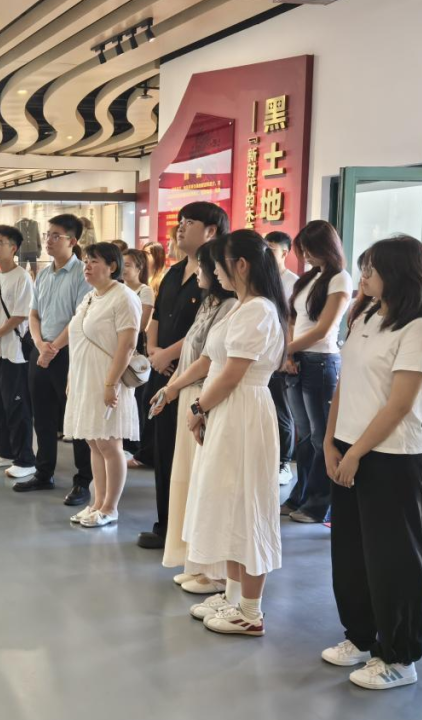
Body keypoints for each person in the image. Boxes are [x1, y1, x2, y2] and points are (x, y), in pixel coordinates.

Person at [321, 235, 422, 690]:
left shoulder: (420, 327)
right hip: (348, 446)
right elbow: (344, 383)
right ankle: (361, 637)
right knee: (351, 553)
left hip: (392, 457)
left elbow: (400, 403)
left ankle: (400, 656)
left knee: (394, 559)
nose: (364, 275)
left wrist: (355, 452)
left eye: (372, 268)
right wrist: (331, 441)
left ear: (399, 273)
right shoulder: (367, 314)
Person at [165, 230, 288, 636]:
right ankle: (233, 595)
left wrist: (199, 407)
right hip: (227, 411)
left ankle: (250, 611)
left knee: (247, 505)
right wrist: (186, 395)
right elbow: (212, 361)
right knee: (228, 504)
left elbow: (233, 374)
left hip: (242, 413)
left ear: (242, 265)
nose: (215, 272)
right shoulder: (240, 306)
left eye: (219, 264)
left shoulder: (258, 311)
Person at [137, 202, 229, 550]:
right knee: (164, 451)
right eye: (180, 222)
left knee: (189, 454)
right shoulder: (174, 272)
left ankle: (189, 533)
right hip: (164, 372)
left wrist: (167, 355)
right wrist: (153, 351)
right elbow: (157, 317)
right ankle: (167, 525)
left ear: (211, 231)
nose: (180, 228)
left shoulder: (218, 279)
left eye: (189, 222)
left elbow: (202, 331)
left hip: (193, 376)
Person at [151, 240, 236, 594]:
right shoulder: (209, 301)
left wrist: (190, 399)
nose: (202, 271)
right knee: (187, 481)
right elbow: (196, 354)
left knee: (205, 484)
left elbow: (214, 362)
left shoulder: (232, 306)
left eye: (205, 266)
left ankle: (214, 572)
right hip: (191, 392)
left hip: (207, 395)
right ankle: (196, 562)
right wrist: (172, 388)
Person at [62, 243, 142, 527]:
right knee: (94, 442)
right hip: (85, 379)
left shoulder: (124, 297)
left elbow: (127, 344)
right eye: (86, 261)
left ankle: (110, 507)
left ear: (112, 266)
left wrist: (111, 383)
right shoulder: (90, 297)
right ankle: (96, 503)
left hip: (107, 379)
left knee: (109, 444)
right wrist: (71, 378)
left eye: (94, 261)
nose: (87, 266)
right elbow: (78, 339)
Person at [281, 221, 352, 524]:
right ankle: (301, 496)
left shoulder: (340, 279)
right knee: (306, 435)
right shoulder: (310, 278)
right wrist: (289, 352)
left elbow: (324, 329)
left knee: (322, 437)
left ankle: (319, 504)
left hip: (321, 362)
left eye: (310, 249)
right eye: (303, 250)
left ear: (327, 246)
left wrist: (287, 350)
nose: (306, 255)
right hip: (297, 360)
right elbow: (293, 319)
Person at [22, 215, 93, 502]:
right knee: (42, 416)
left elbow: (80, 318)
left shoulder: (82, 274)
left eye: (55, 236)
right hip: (41, 352)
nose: (48, 241)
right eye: (47, 235)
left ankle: (83, 481)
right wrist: (41, 345)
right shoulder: (43, 274)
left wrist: (53, 349)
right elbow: (33, 314)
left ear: (72, 241)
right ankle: (44, 472)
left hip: (68, 355)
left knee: (75, 419)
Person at [0, 225, 37, 480]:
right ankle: (3, 450)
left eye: (0, 243)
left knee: (17, 406)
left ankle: (25, 459)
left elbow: (20, 315)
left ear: (13, 248)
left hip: (14, 352)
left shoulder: (22, 277)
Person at [265, 231, 299, 486]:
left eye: (273, 250)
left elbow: (291, 321)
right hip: (262, 354)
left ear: (285, 253)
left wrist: (288, 354)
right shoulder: (264, 278)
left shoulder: (293, 282)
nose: (267, 254)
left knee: (281, 413)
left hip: (281, 355)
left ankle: (283, 463)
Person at [122, 248, 155, 463]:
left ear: (139, 268)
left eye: (128, 265)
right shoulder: (117, 288)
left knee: (136, 397)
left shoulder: (145, 291)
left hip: (134, 350)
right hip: (117, 347)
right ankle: (123, 441)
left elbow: (141, 324)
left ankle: (134, 445)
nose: (123, 269)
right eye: (122, 263)